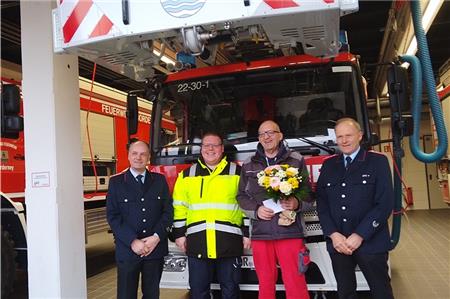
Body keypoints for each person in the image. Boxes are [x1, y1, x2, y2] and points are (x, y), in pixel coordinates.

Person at [316, 117, 394, 299]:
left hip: (371, 242)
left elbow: (384, 204)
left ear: (360, 135)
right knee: (345, 292)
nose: (344, 140)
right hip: (339, 244)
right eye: (340, 136)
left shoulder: (377, 162)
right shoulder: (329, 165)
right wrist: (333, 234)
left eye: (348, 135)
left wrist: (359, 235)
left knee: (381, 291)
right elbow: (322, 202)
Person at [237, 120, 314, 299]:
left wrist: (296, 203)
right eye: (263, 134)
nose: (267, 137)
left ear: (280, 136)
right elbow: (241, 197)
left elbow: (310, 196)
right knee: (265, 284)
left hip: (290, 232)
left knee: (296, 283)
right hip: (260, 234)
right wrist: (256, 211)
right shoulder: (249, 164)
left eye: (271, 132)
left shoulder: (295, 159)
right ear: (258, 138)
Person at [172, 132, 250, 299]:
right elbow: (179, 208)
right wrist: (179, 235)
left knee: (231, 291)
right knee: (199, 292)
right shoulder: (186, 175)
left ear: (221, 149)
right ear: (201, 149)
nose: (210, 149)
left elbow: (246, 205)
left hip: (229, 242)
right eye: (206, 145)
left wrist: (247, 233)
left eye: (214, 145)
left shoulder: (238, 172)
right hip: (197, 243)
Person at [106, 140, 173, 299]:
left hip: (154, 249)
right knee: (126, 295)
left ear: (149, 157)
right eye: (134, 153)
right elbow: (113, 216)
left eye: (143, 154)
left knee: (151, 295)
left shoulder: (159, 180)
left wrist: (156, 238)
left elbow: (168, 212)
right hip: (128, 249)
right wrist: (132, 241)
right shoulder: (116, 183)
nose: (138, 157)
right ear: (128, 156)